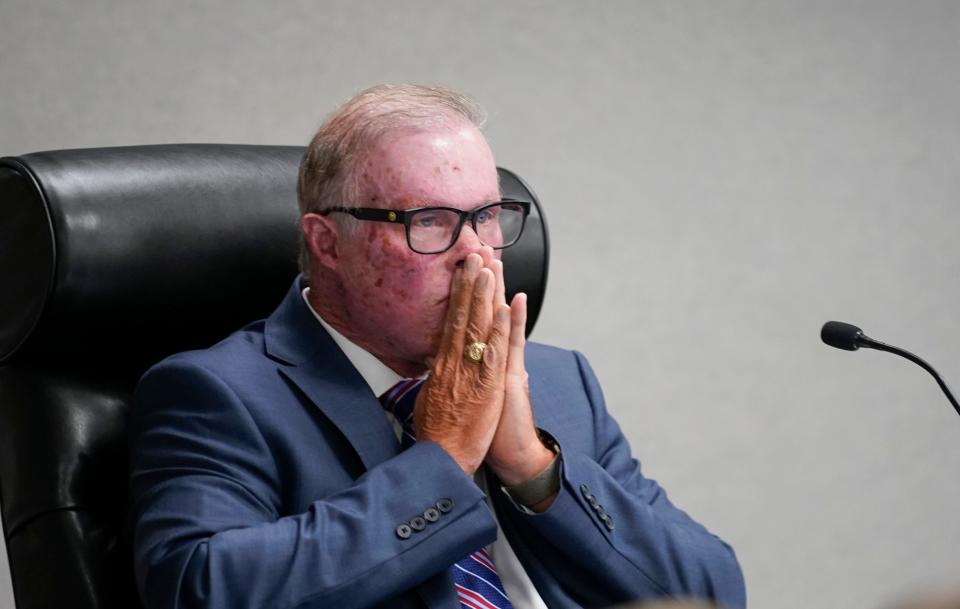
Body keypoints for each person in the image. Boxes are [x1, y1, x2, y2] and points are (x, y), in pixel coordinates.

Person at [128, 84, 746, 609]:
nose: (475, 253)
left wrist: (533, 468)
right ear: (327, 242)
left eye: (486, 216)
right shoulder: (220, 392)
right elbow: (202, 589)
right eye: (428, 221)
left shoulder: (558, 382)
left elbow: (708, 592)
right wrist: (443, 460)